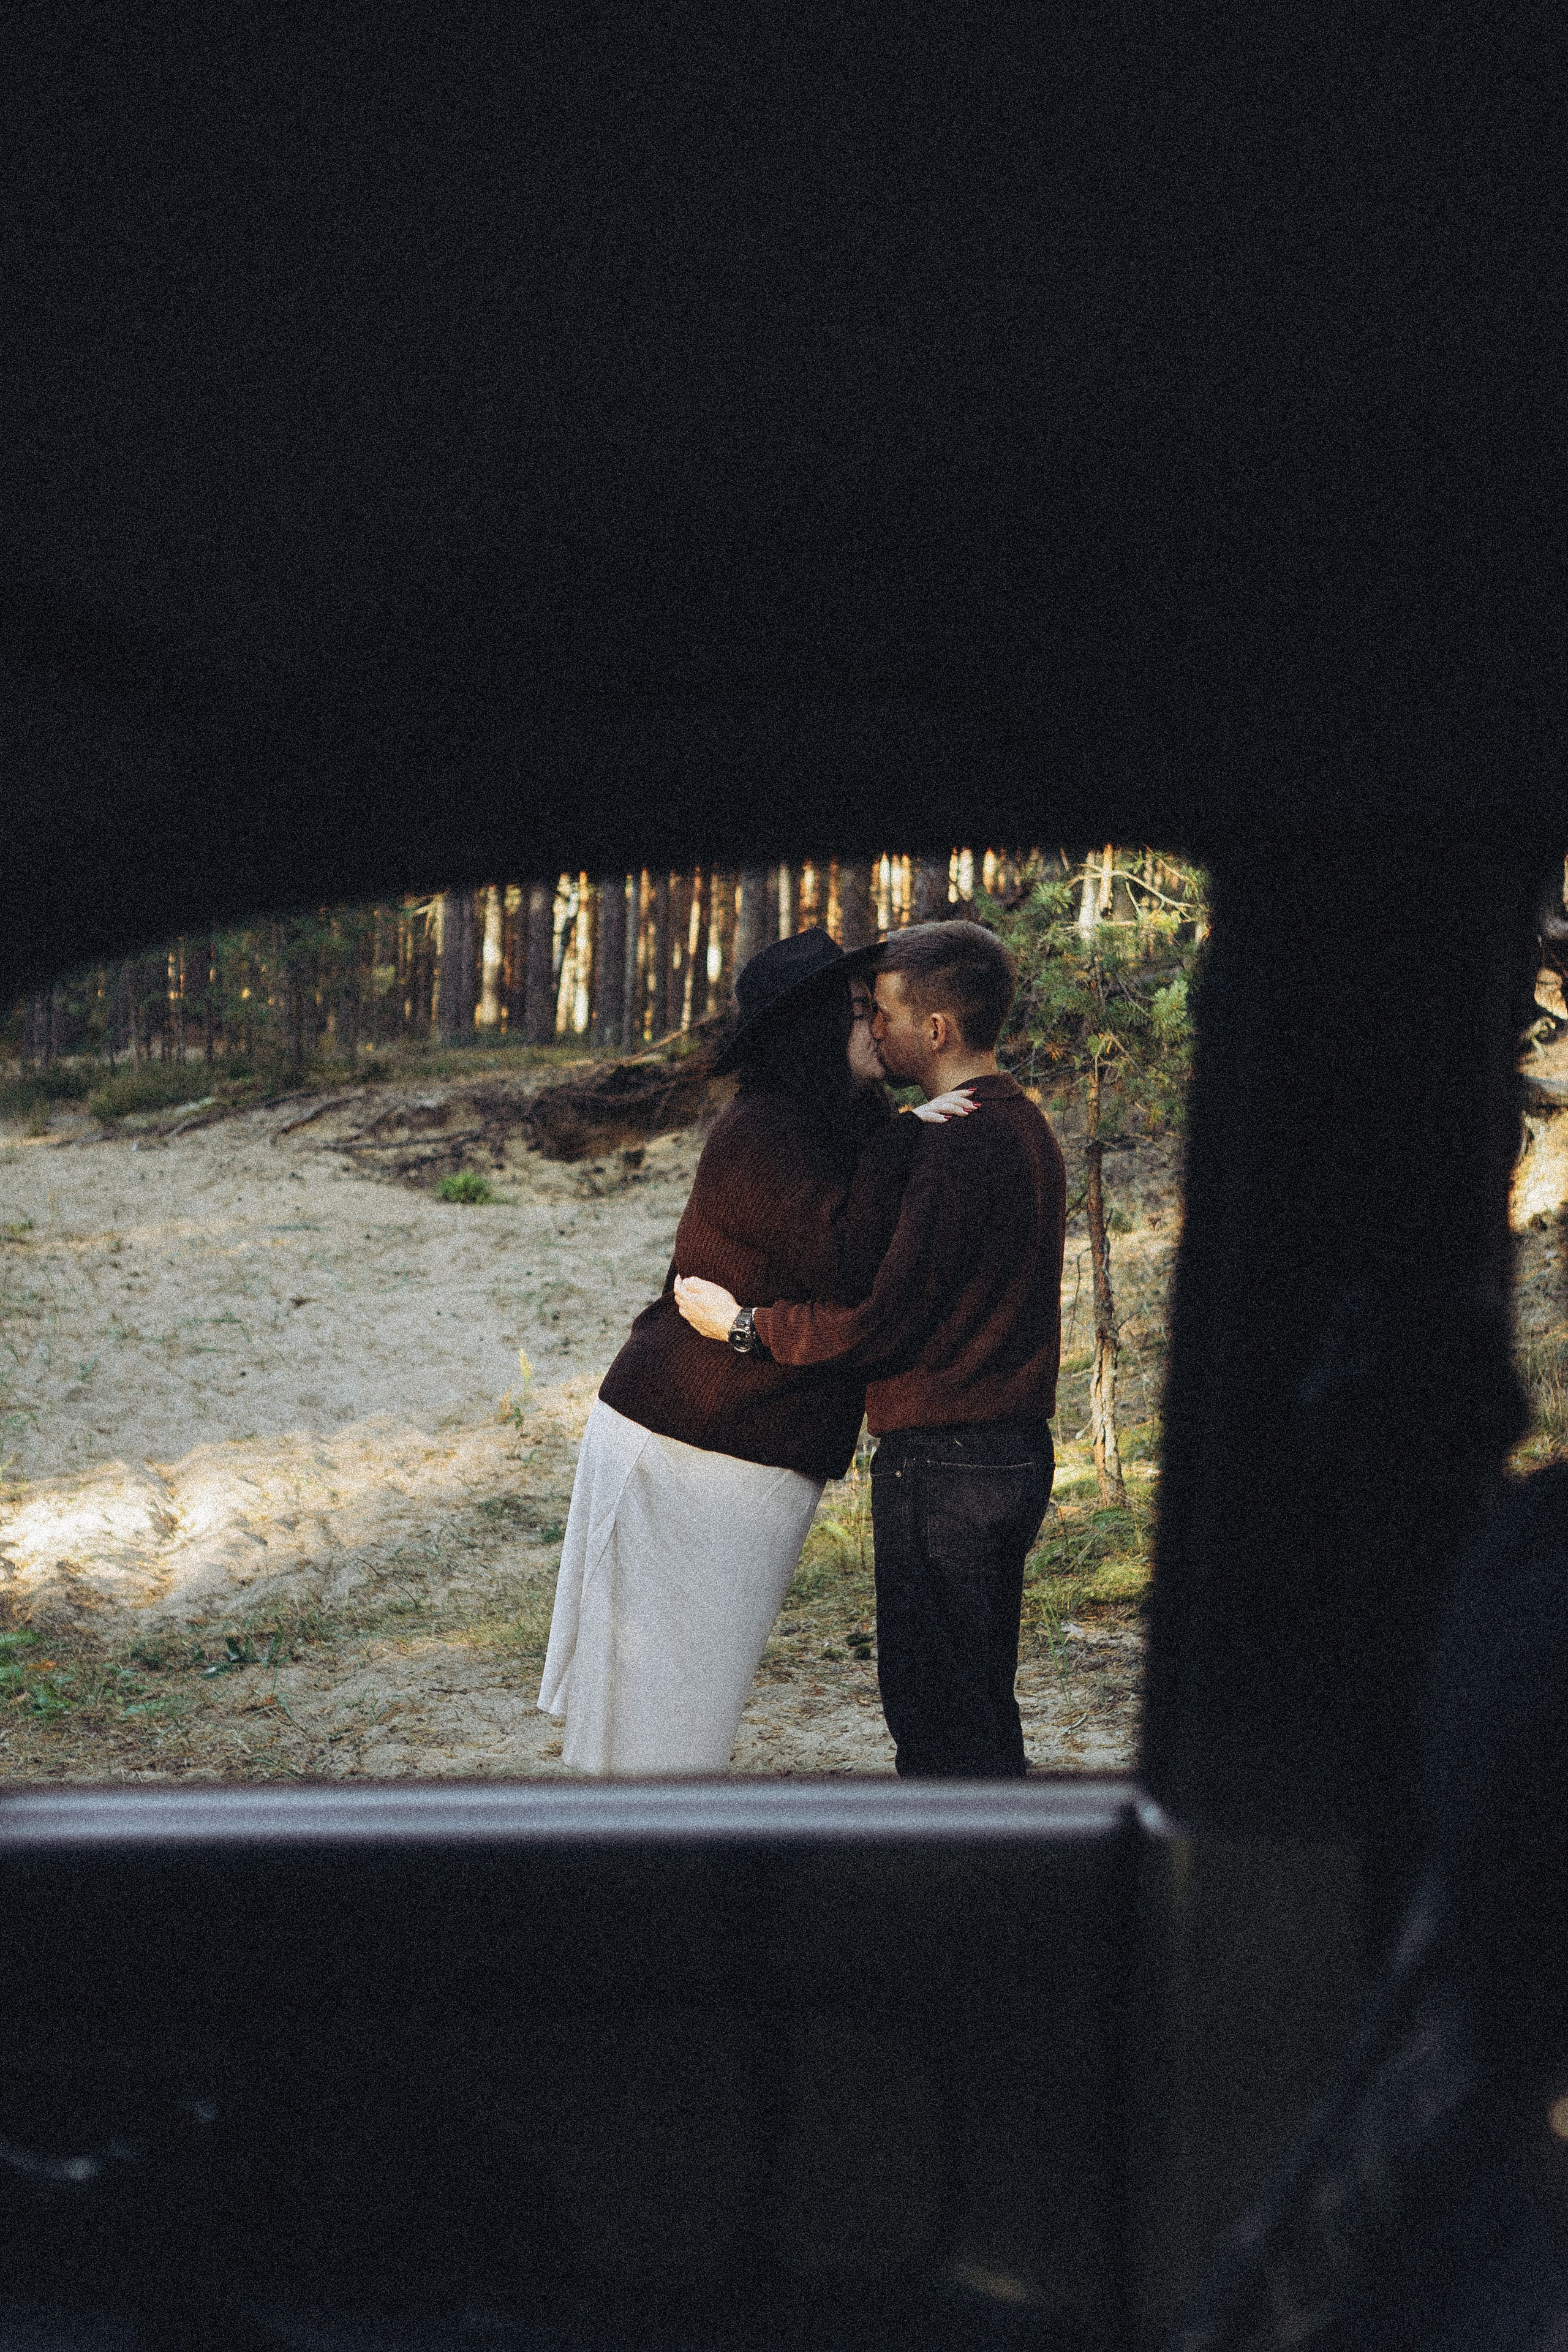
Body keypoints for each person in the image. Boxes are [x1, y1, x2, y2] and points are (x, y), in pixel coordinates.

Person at [538, 925, 949, 1774]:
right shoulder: (761, 1133)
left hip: (747, 1446)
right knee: (662, 1718)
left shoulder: (846, 1122)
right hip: (686, 1444)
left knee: (689, 1708)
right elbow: (854, 1264)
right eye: (859, 1009)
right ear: (811, 1029)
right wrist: (919, 1134)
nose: (879, 1023)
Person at [676, 919, 1066, 1777]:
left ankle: (962, 1889)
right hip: (1011, 1455)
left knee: (936, 1717)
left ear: (937, 1030)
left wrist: (748, 1327)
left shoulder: (953, 1142)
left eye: (883, 1011)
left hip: (945, 1468)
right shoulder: (1019, 1124)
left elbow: (885, 1319)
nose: (875, 1028)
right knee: (977, 1700)